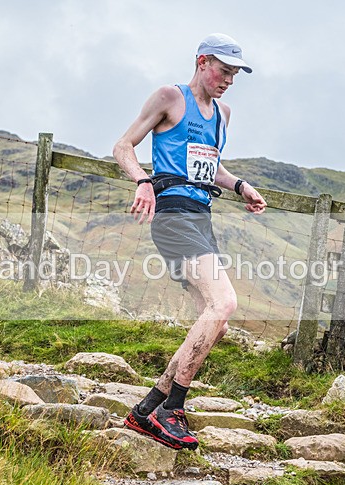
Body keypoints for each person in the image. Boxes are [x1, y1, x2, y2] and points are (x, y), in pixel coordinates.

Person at [112, 33, 267, 450]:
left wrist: (241, 186)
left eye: (235, 74)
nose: (229, 80)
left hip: (201, 217)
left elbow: (210, 167)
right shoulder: (170, 97)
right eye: (224, 70)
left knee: (216, 323)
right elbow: (123, 146)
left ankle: (148, 409)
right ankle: (171, 410)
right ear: (202, 62)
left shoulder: (222, 114)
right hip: (172, 214)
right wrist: (143, 181)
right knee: (224, 303)